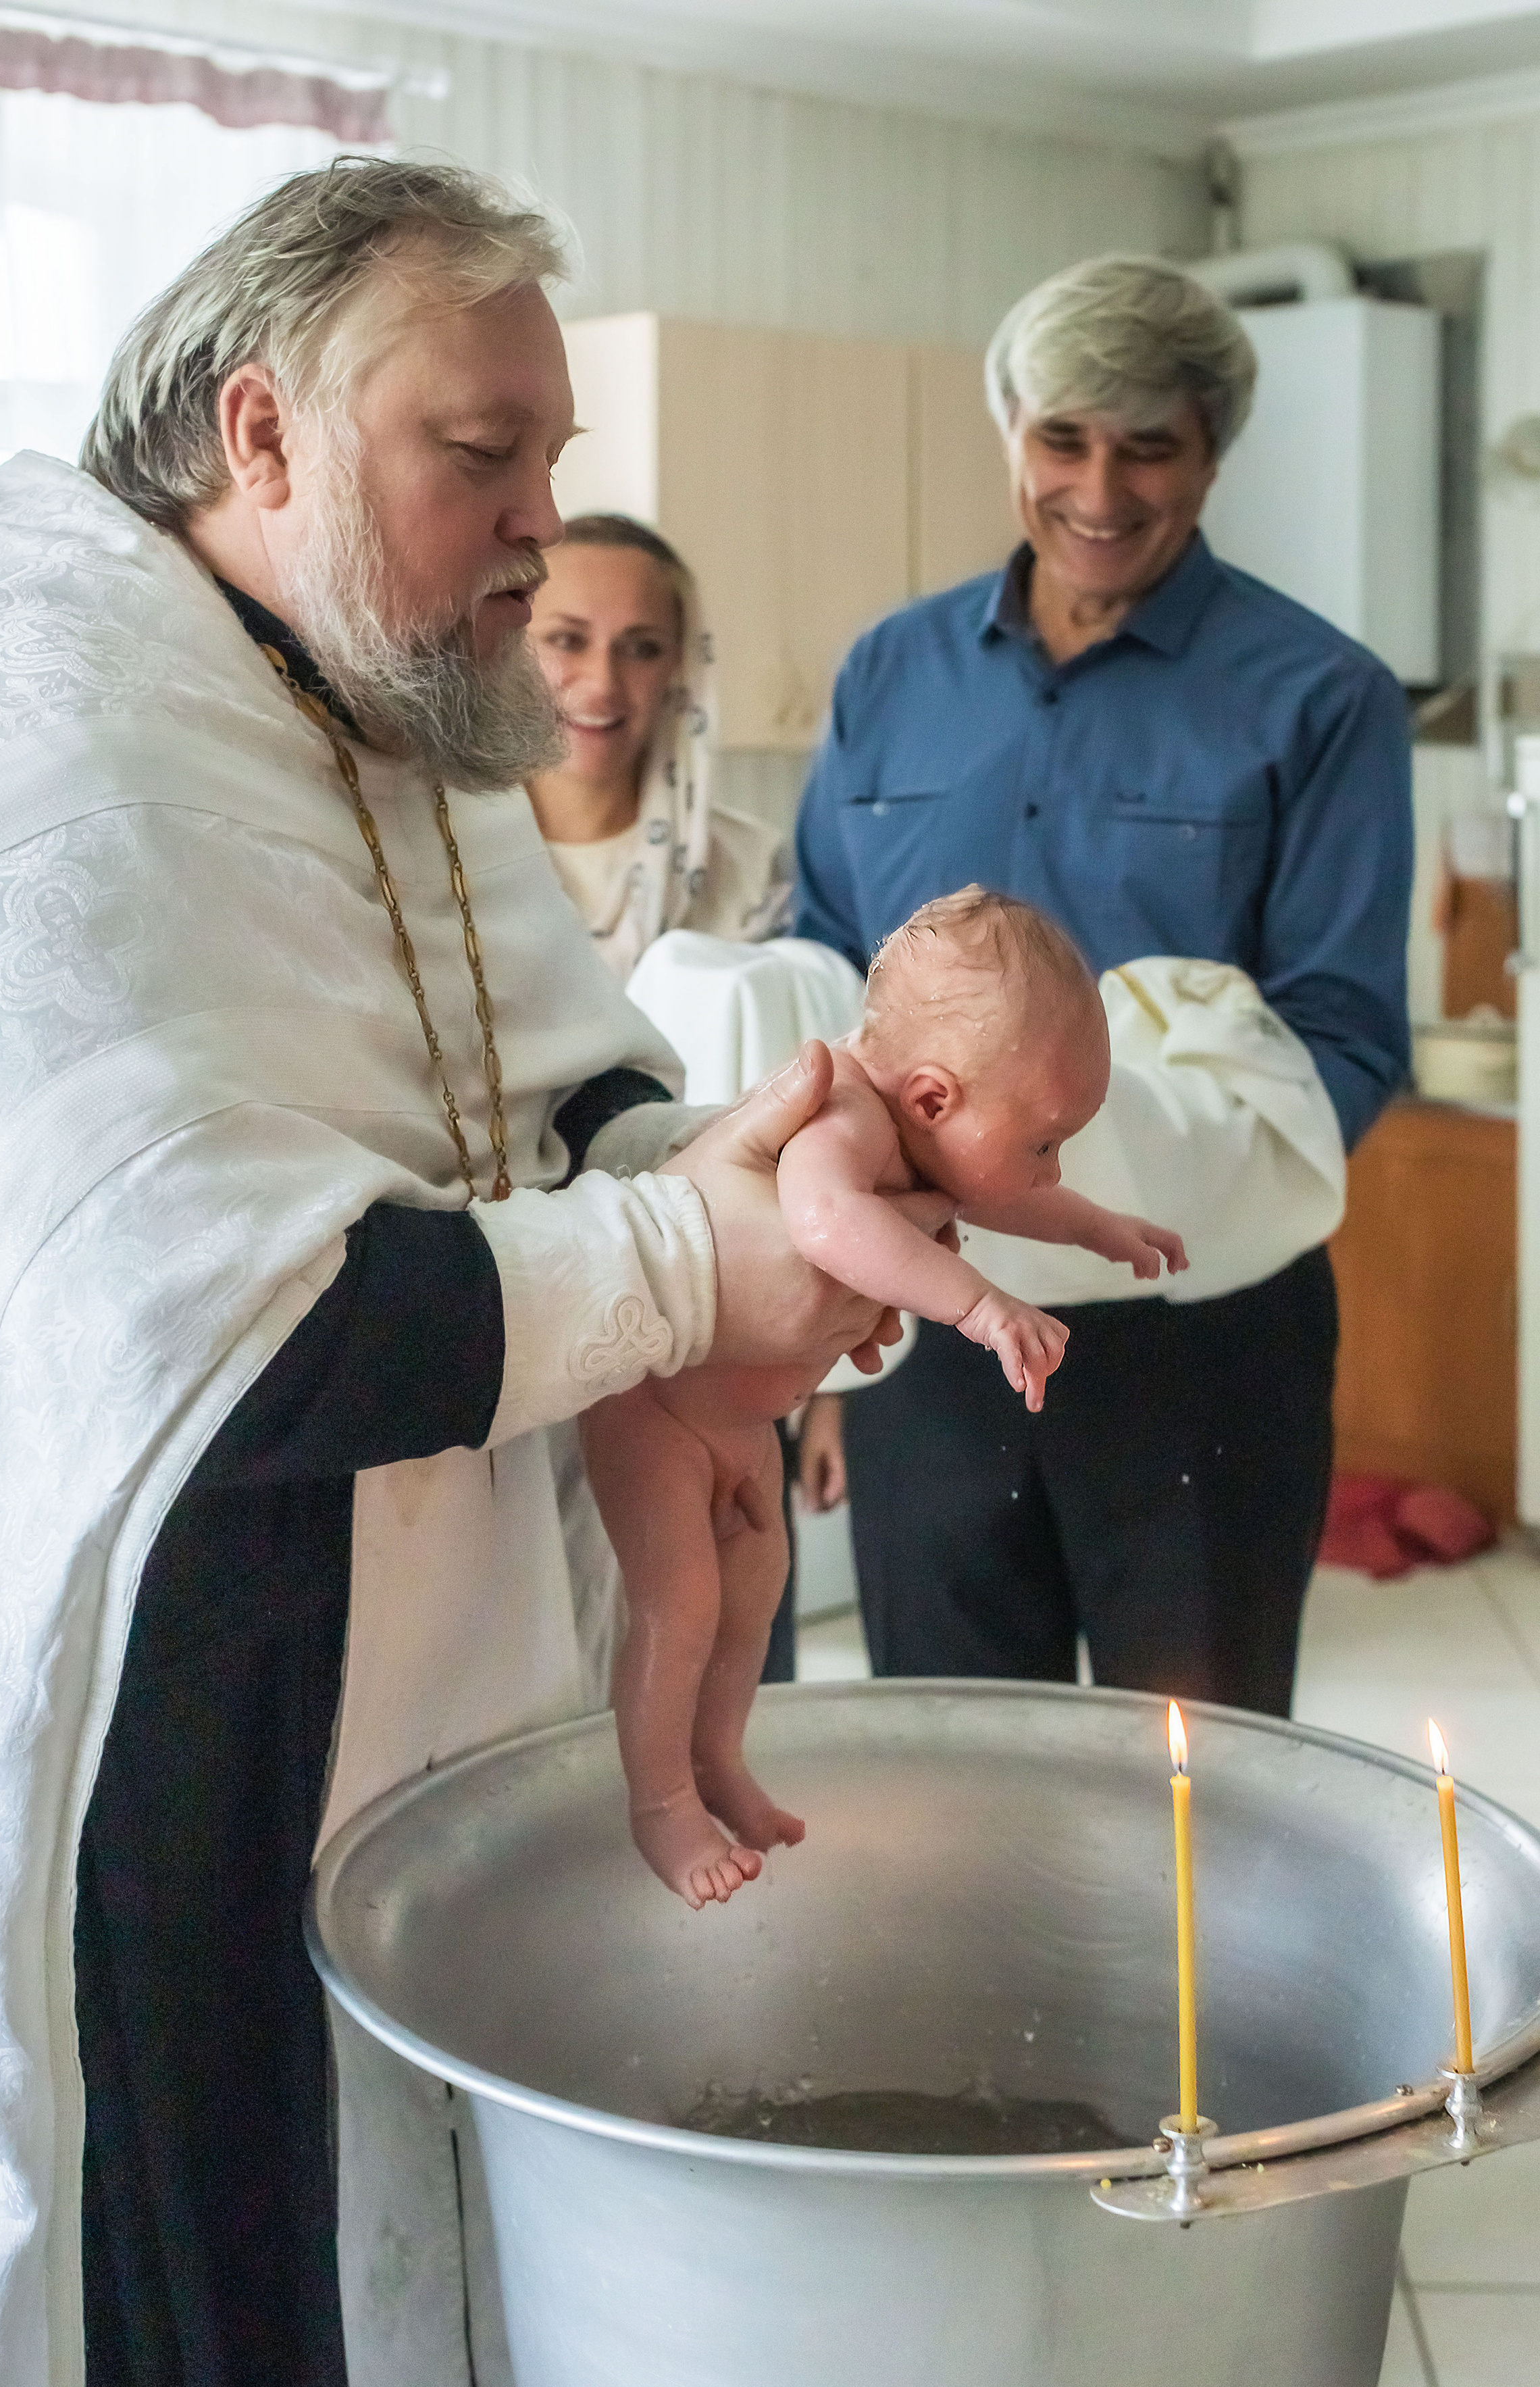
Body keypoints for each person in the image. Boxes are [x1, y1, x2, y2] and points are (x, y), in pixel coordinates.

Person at [0, 159, 896, 2387]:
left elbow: (561, 1065)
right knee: (213, 2377)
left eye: (544, 454)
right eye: (478, 456)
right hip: (172, 1742)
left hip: (426, 1702)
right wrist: (677, 1257)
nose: (540, 526)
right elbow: (173, 1314)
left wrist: (749, 1178)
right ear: (262, 430)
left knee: (437, 2333)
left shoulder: (361, 683)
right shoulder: (16, 714)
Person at [796, 253, 1413, 1717]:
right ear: (1009, 432)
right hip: (930, 1334)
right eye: (1062, 439)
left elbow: (1337, 1041)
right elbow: (818, 975)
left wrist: (1114, 1176)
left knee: (1189, 1788)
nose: (1099, 487)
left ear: (1209, 454)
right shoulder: (888, 675)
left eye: (1149, 447)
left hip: (1193, 1327)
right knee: (951, 1763)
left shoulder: (1320, 697)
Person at [586, 885, 1186, 1909]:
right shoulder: (842, 1114)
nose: (1056, 1165)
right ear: (935, 1098)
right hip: (656, 1414)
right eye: (1046, 1140)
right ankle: (660, 1806)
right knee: (680, 1607)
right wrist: (980, 1307)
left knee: (753, 1595)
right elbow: (823, 1224)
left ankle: (720, 1759)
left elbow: (1002, 1191)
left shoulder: (930, 1131)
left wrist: (1097, 1228)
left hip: (738, 1421)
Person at [525, 512, 792, 978]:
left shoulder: (753, 873)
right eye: (567, 640)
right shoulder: (441, 859)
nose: (603, 684)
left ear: (680, 669)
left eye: (642, 648)